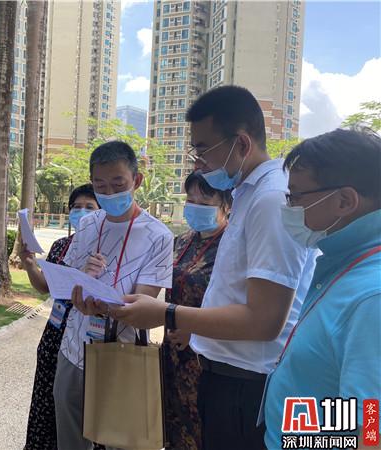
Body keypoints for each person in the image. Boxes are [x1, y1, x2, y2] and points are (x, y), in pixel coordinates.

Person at [75, 86, 317, 450]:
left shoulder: (269, 200)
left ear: (241, 143)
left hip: (248, 384)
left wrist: (167, 313)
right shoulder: (249, 195)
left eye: (203, 150)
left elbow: (266, 320)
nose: (197, 163)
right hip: (226, 374)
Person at [263, 128, 381, 449]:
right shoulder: (344, 265)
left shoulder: (371, 296)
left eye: (296, 196)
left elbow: (371, 431)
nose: (288, 207)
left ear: (344, 201)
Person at [57, 141, 174, 450]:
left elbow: (143, 304)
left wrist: (103, 306)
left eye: (118, 184)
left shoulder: (158, 236)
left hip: (122, 352)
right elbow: (68, 281)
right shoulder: (88, 224)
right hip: (74, 348)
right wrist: (82, 281)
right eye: (100, 186)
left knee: (121, 441)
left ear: (137, 180)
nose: (109, 193)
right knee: (70, 438)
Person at [19, 183, 101, 450]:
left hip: (87, 339)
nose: (82, 212)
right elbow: (46, 287)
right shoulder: (61, 246)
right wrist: (30, 264)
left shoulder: (105, 250)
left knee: (83, 413)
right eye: (76, 207)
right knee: (49, 404)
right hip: (55, 336)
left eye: (89, 207)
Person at [163, 172, 231, 450]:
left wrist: (194, 332)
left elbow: (236, 303)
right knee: (171, 426)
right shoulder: (183, 241)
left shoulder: (232, 246)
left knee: (200, 432)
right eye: (191, 200)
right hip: (172, 353)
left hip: (205, 357)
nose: (195, 207)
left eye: (205, 202)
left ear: (227, 205)